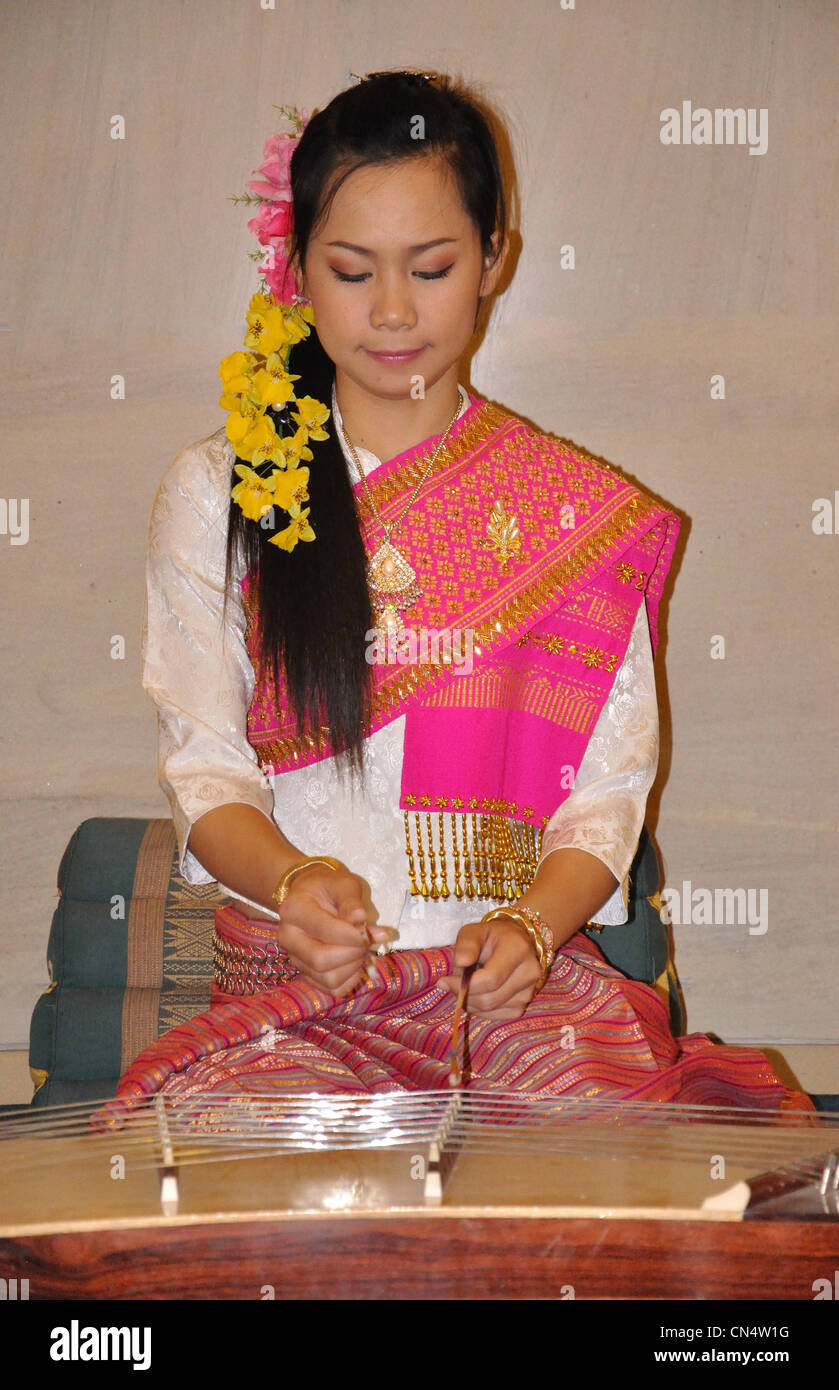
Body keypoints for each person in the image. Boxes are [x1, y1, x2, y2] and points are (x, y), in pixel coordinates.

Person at [120, 71, 811, 1113]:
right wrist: (295, 884)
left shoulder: (576, 521)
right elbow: (206, 773)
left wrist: (533, 926)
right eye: (351, 270)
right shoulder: (217, 494)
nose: (392, 312)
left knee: (592, 1226)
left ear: (494, 259)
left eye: (431, 267)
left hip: (507, 1014)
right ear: (294, 267)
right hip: (298, 1004)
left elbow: (604, 801)